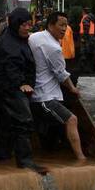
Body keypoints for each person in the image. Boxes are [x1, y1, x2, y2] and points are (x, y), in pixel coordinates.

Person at [0, 8, 45, 172]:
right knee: (23, 121)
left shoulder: (16, 38)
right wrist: (21, 83)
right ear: (16, 24)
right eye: (24, 25)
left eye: (30, 24)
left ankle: (1, 155)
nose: (28, 28)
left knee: (6, 122)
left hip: (9, 87)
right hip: (10, 88)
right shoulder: (9, 42)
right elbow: (10, 64)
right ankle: (25, 161)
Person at [29, 11, 86, 162]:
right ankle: (81, 158)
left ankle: (49, 155)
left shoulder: (35, 37)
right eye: (61, 25)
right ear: (50, 25)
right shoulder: (53, 47)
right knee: (71, 120)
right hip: (44, 97)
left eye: (66, 26)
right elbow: (61, 74)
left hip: (40, 92)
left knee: (51, 131)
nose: (64, 29)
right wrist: (73, 89)